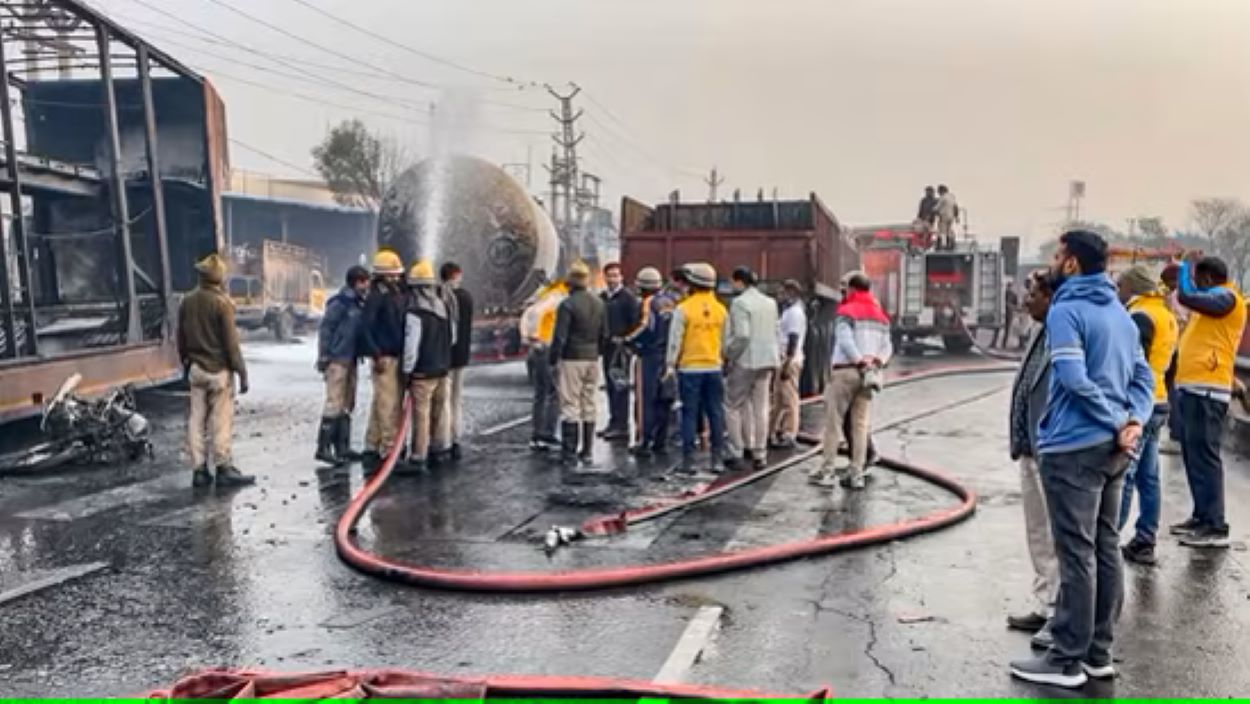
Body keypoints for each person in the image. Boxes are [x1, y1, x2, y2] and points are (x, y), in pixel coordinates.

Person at [1009, 230, 1154, 689]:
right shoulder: (1120, 314)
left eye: (1057, 255)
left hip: (1073, 448)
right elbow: (1143, 378)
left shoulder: (1067, 311)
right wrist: (1133, 422)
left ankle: (1066, 659)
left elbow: (1071, 376)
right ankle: (1098, 653)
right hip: (1114, 451)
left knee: (1075, 553)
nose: (1052, 261)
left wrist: (1115, 422)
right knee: (1105, 545)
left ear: (1071, 264)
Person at [1170, 254, 1246, 549]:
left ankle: (1214, 524)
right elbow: (1185, 296)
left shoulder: (1227, 298)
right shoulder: (1211, 302)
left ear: (1209, 278)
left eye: (1199, 279)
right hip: (1194, 387)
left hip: (1208, 388)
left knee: (1205, 456)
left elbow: (1187, 295)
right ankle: (1202, 516)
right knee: (1192, 455)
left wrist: (1185, 267)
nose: (1196, 287)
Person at [1005, 270, 1057, 649]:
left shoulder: (1066, 332)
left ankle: (1060, 615)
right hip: (1031, 447)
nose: (1026, 301)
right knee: (1038, 532)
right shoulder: (1040, 330)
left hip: (1053, 449)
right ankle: (1045, 602)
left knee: (1058, 535)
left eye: (1034, 294)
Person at [1115, 265, 1178, 565]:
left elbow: (1131, 366)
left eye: (1121, 285)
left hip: (1140, 405)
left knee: (1126, 475)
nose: (1118, 291)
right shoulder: (1166, 315)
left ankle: (1108, 537)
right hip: (1160, 399)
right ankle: (1145, 540)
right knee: (1149, 477)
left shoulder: (1139, 317)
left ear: (1133, 287)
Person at [177, 253, 254, 488]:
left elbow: (180, 337)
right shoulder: (222, 303)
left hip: (196, 369)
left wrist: (186, 362)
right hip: (218, 371)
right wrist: (242, 373)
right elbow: (231, 344)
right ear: (219, 278)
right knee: (221, 420)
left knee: (196, 420)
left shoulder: (186, 301)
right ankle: (223, 467)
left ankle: (199, 470)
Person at [811, 271, 892, 490]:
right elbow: (887, 347)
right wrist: (875, 364)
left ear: (855, 289)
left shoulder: (846, 311)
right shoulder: (880, 315)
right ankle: (856, 474)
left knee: (833, 423)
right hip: (869, 375)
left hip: (847, 371)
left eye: (846, 288)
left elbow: (845, 342)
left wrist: (859, 362)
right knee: (860, 425)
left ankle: (827, 471)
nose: (844, 292)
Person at [665, 262, 729, 474]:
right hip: (714, 367)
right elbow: (726, 342)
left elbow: (675, 340)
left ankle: (689, 461)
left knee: (690, 414)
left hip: (689, 369)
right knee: (716, 413)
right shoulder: (721, 310)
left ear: (692, 282)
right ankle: (717, 459)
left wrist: (670, 365)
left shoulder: (683, 309)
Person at [550, 261, 609, 467]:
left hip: (571, 357)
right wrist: (598, 353)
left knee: (570, 404)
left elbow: (560, 337)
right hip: (592, 357)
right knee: (589, 403)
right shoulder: (599, 303)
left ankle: (569, 453)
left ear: (571, 284)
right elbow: (605, 334)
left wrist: (553, 359)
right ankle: (587, 451)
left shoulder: (567, 305)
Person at [723, 266, 779, 471]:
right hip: (767, 360)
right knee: (761, 407)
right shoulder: (770, 303)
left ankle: (737, 450)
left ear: (739, 281)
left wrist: (729, 353)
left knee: (733, 405)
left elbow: (742, 335)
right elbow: (776, 329)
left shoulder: (740, 303)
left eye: (732, 282)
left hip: (745, 360)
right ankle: (759, 453)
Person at [400, 259, 453, 473]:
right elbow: (453, 337)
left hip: (423, 371)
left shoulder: (415, 313)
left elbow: (411, 346)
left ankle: (418, 456)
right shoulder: (443, 308)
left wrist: (406, 370)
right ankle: (440, 448)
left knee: (421, 415)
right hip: (442, 368)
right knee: (440, 411)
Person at [315, 265, 370, 466]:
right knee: (334, 403)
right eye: (364, 282)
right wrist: (324, 356)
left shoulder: (357, 303)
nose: (367, 286)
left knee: (347, 403)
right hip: (337, 360)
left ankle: (342, 447)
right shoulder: (339, 304)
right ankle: (322, 448)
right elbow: (326, 330)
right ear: (356, 282)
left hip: (351, 360)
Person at [359, 249, 408, 471]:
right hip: (384, 356)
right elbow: (365, 327)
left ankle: (371, 445)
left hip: (392, 354)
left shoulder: (391, 292)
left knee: (380, 402)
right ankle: (389, 451)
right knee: (388, 405)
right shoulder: (377, 296)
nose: (397, 278)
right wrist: (375, 353)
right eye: (394, 274)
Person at [626, 267, 674, 458]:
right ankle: (661, 441)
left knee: (646, 399)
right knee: (664, 399)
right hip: (667, 355)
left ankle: (644, 440)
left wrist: (628, 339)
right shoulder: (670, 302)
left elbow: (646, 328)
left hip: (649, 356)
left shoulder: (649, 303)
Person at [521, 278, 567, 452]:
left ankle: (537, 433)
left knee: (540, 393)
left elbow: (528, 316)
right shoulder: (557, 299)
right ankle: (546, 434)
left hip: (536, 348)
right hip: (547, 347)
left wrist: (528, 338)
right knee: (553, 393)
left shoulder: (541, 297)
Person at [600, 262, 641, 441]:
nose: (613, 279)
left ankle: (621, 425)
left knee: (620, 386)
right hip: (607, 348)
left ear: (621, 277)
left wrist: (626, 341)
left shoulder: (628, 298)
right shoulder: (602, 297)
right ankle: (613, 421)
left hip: (621, 349)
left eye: (616, 275)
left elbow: (635, 322)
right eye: (610, 275)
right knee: (610, 385)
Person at [441, 261, 474, 461]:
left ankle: (441, 440)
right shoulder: (466, 297)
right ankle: (455, 440)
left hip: (443, 357)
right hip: (461, 355)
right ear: (457, 275)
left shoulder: (441, 297)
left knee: (442, 401)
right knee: (456, 400)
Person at [769, 279, 807, 450]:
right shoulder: (788, 311)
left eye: (782, 292)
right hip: (783, 359)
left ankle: (789, 433)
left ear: (791, 292)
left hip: (789, 360)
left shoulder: (795, 313)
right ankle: (773, 430)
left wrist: (787, 363)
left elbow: (793, 339)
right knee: (778, 399)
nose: (779, 296)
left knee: (789, 399)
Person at [1158, 263, 1187, 455]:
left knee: (1173, 391)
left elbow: (1176, 321)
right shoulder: (1190, 296)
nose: (1167, 286)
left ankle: (1176, 436)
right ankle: (1178, 435)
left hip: (1176, 348)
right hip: (1184, 349)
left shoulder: (1177, 297)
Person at [935, 184, 959, 250]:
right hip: (951, 216)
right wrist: (957, 217)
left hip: (944, 216)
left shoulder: (942, 197)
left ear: (941, 191)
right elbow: (955, 207)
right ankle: (951, 244)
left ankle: (941, 245)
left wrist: (932, 211)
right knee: (949, 230)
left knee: (942, 231)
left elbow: (937, 208)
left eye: (939, 192)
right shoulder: (952, 197)